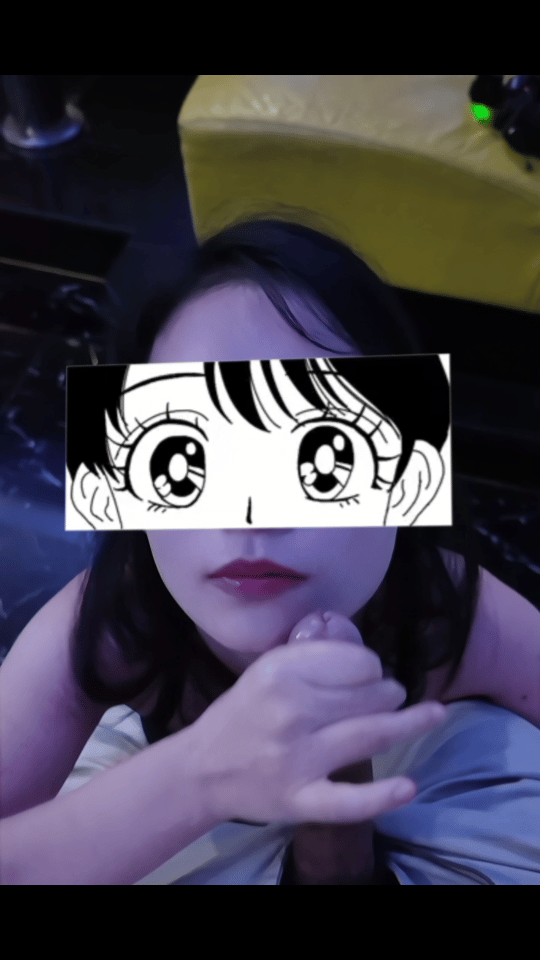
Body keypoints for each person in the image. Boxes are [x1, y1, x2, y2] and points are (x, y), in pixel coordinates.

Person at [6, 217, 540, 884]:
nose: (249, 513)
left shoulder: (441, 607)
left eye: (324, 454)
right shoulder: (110, 622)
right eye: (186, 460)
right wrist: (199, 774)